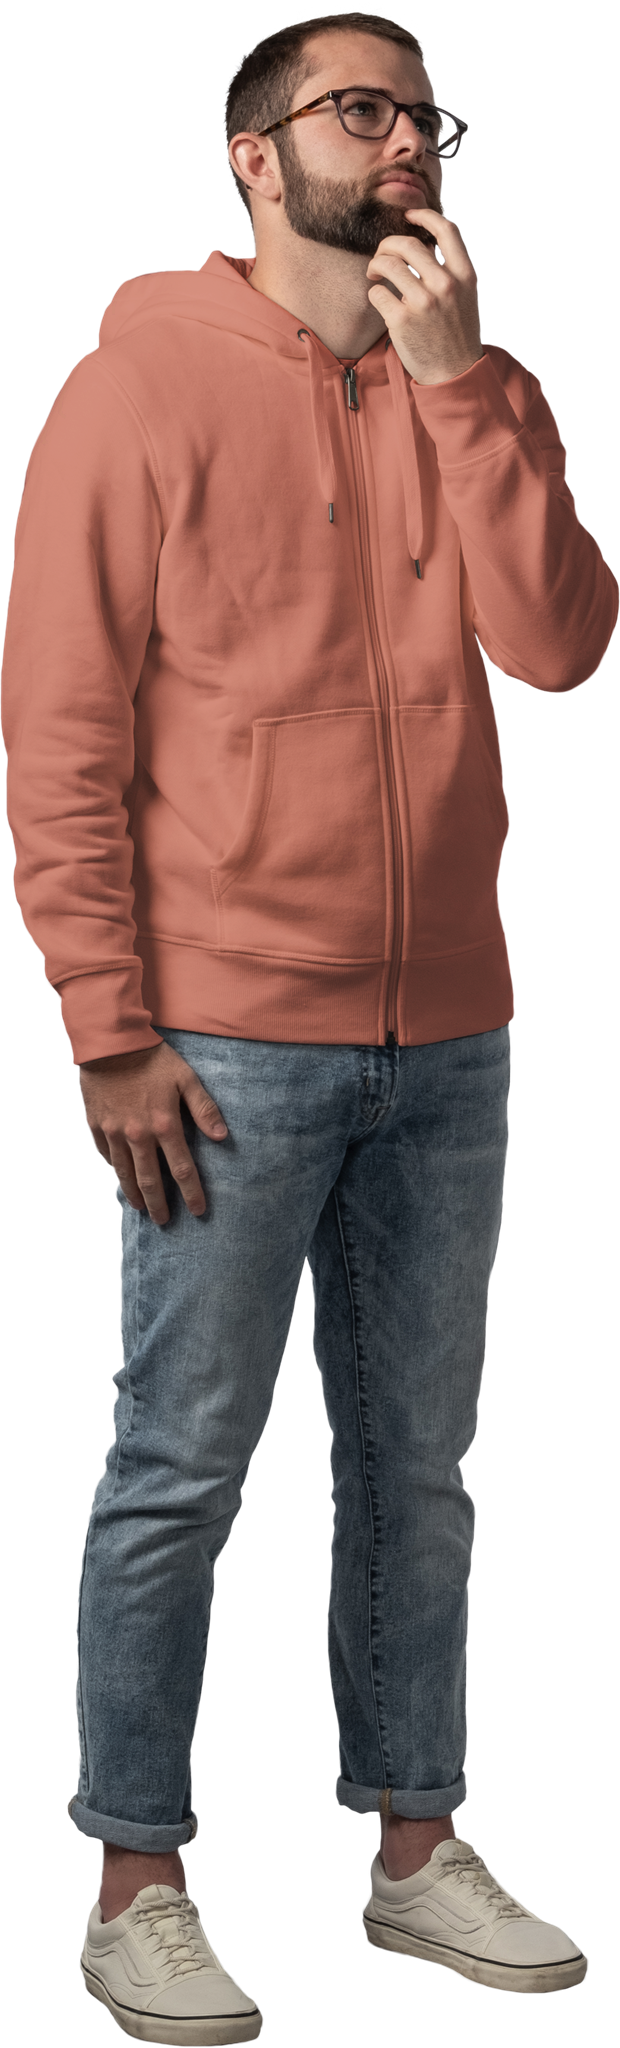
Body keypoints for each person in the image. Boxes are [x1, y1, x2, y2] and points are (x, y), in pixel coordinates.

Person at [2, 12, 612, 2029]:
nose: (407, 138)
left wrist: (463, 394)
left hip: (456, 1032)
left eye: (425, 112)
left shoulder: (483, 385)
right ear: (255, 158)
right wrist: (107, 1022)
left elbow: (561, 644)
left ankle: (415, 1850)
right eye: (361, 107)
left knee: (419, 1468)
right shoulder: (137, 386)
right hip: (222, 1040)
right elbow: (60, 732)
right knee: (180, 1464)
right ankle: (136, 1876)